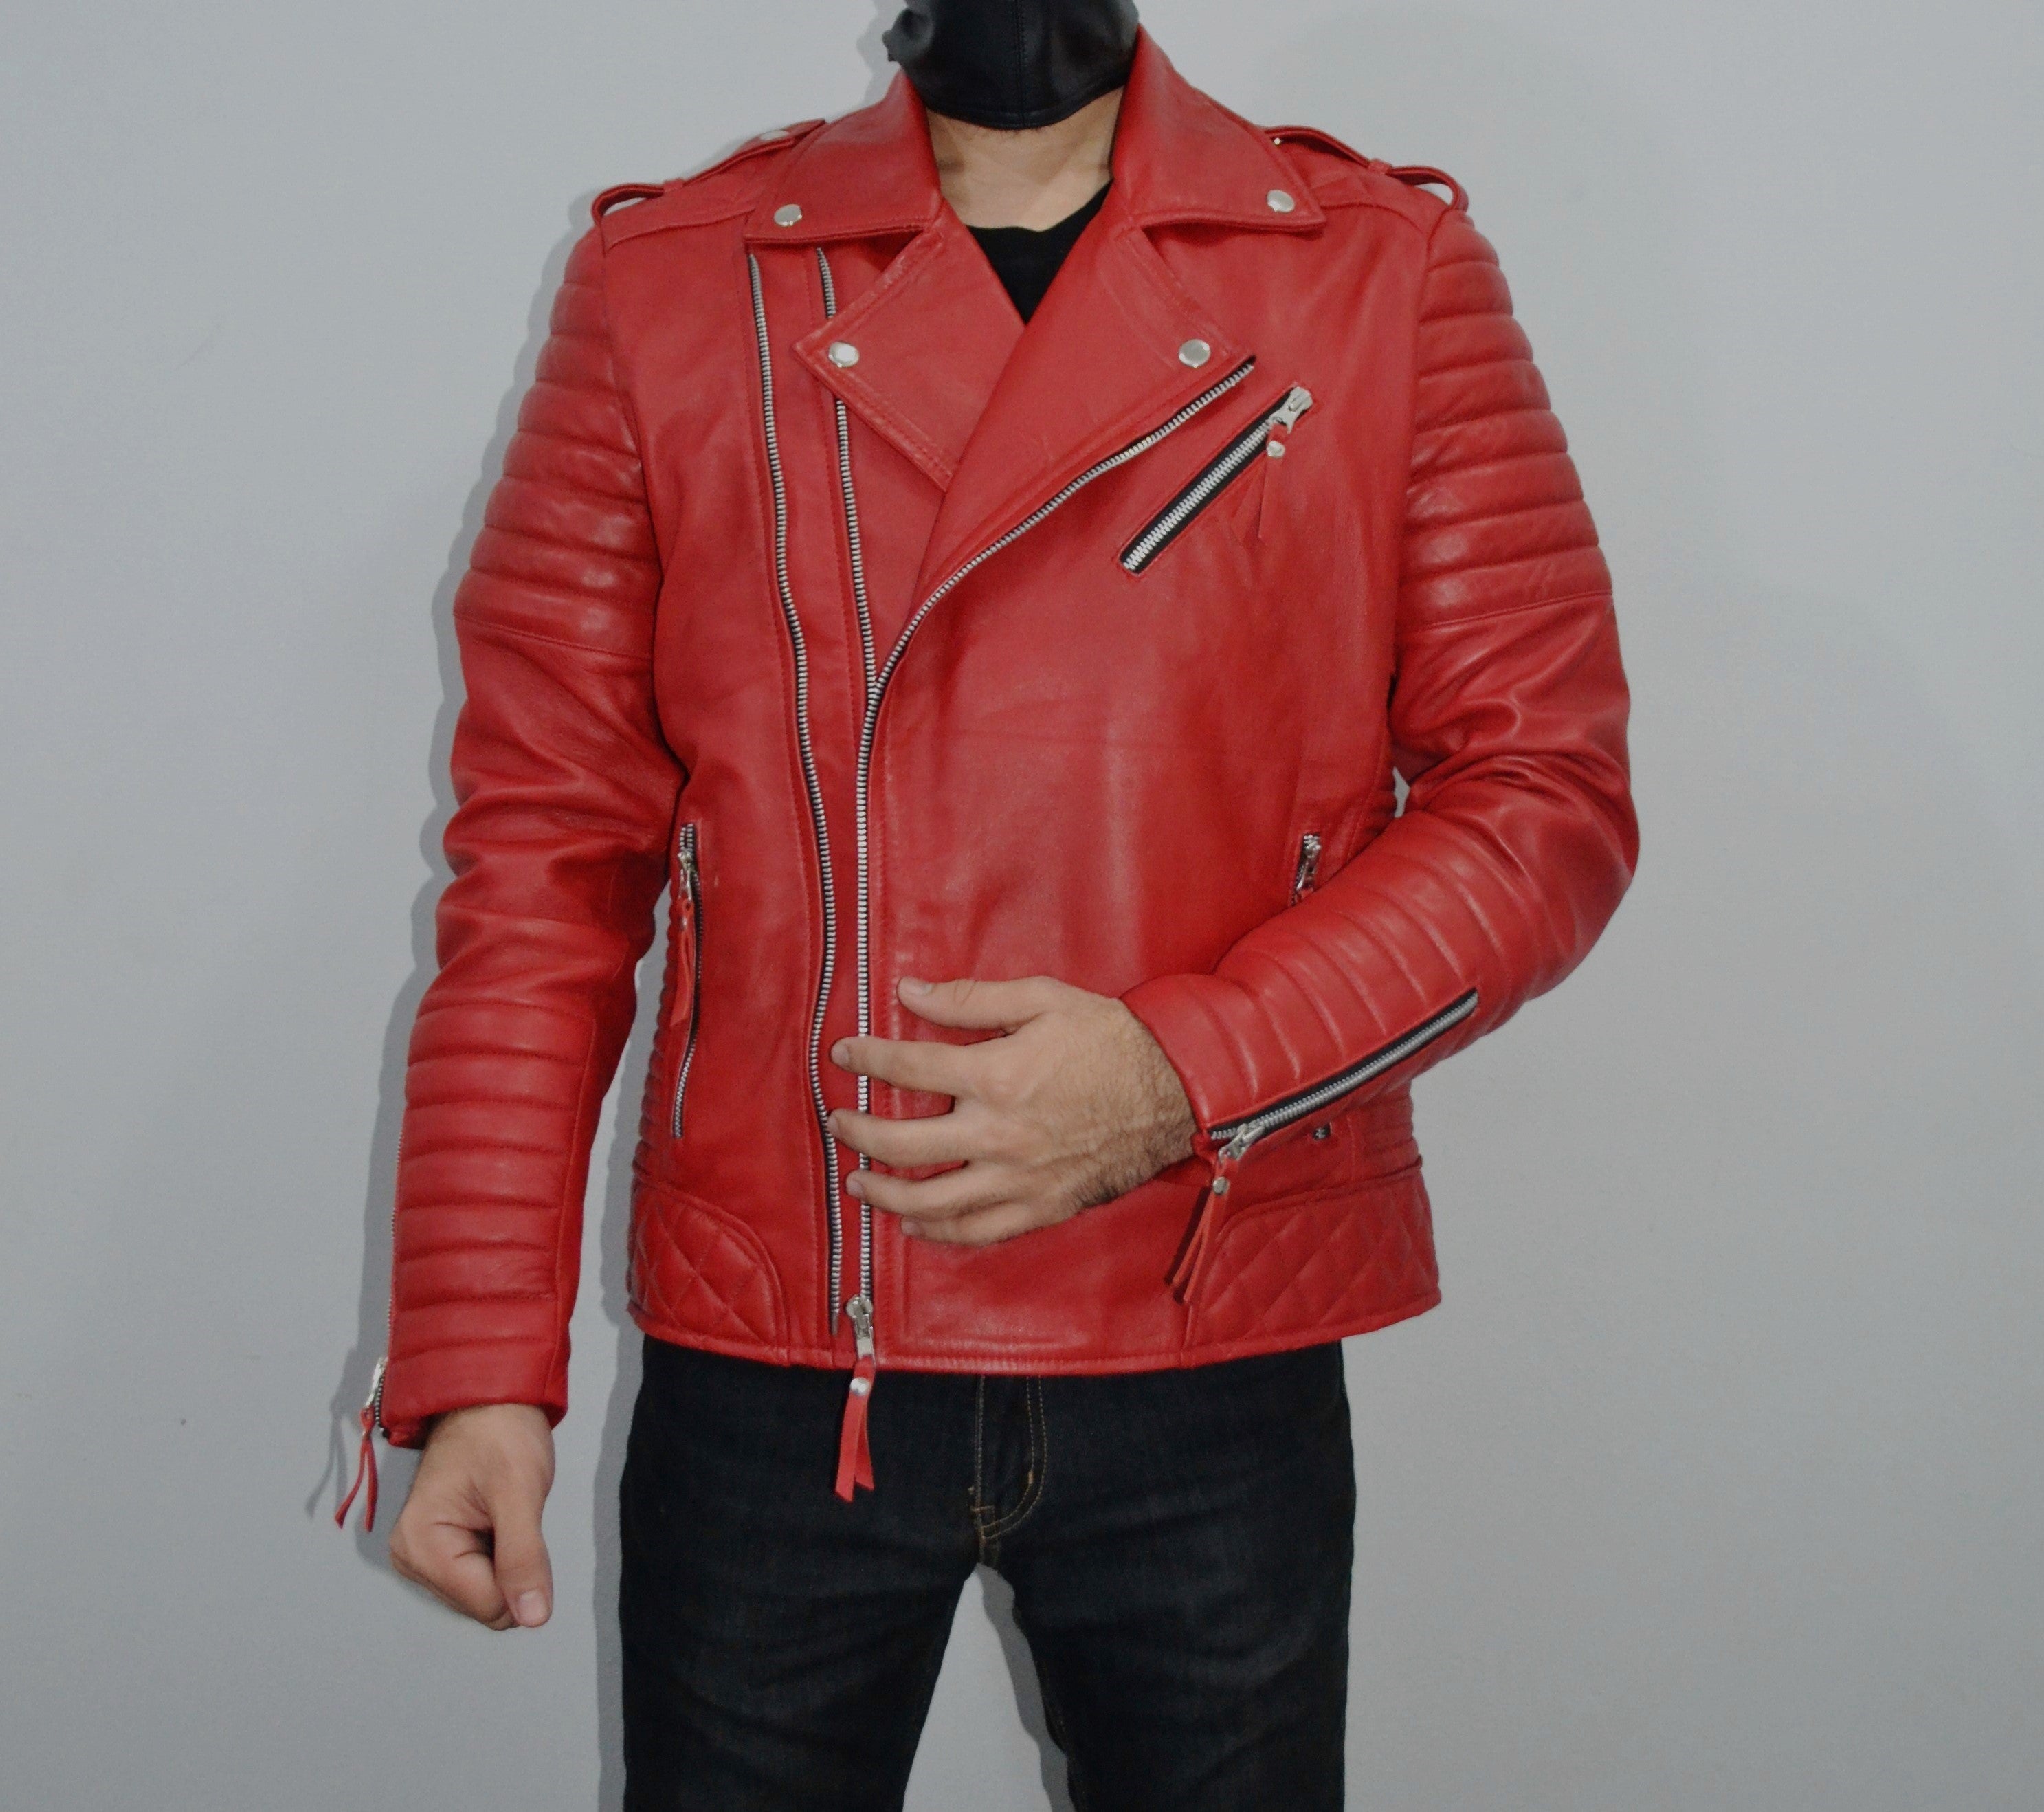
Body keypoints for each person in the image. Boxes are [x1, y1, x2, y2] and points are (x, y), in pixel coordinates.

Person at [340, 1, 1639, 1804]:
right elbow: (546, 864)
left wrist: (1180, 1073)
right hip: (785, 1348)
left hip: (1206, 1317)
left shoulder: (1377, 270)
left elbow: (1544, 800)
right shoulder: (676, 281)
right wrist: (481, 1360)